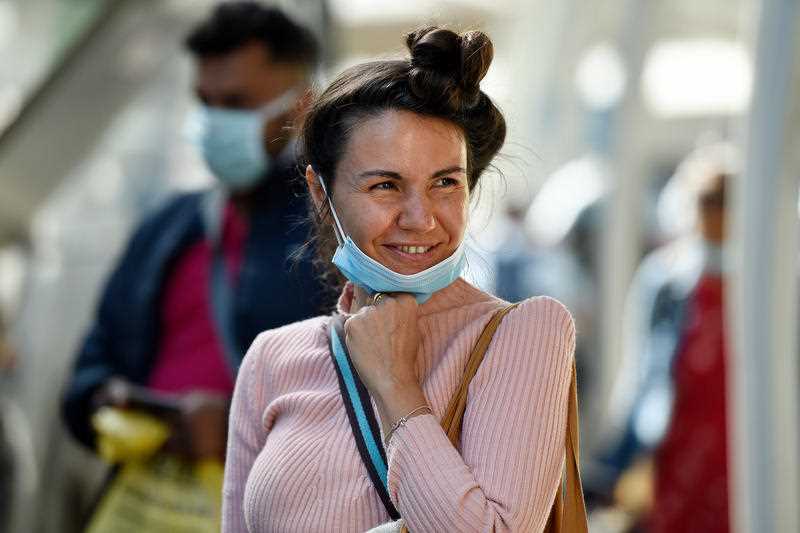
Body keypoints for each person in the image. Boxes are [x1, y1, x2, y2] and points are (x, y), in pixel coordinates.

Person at [223, 27, 579, 532]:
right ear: (321, 194)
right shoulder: (271, 360)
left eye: (445, 183)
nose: (421, 218)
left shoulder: (524, 332)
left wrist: (396, 385)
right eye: (386, 185)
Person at [62, 2, 325, 464]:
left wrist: (235, 426)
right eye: (206, 103)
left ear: (301, 107)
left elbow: (367, 400)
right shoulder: (167, 226)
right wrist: (105, 401)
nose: (214, 122)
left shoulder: (337, 237)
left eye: (237, 104)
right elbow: (92, 363)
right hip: (150, 497)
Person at [589, 144, 736, 532]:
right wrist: (613, 462)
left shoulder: (769, 284)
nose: (718, 212)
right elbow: (639, 376)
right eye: (709, 200)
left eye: (728, 201)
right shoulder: (666, 280)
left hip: (742, 452)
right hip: (678, 449)